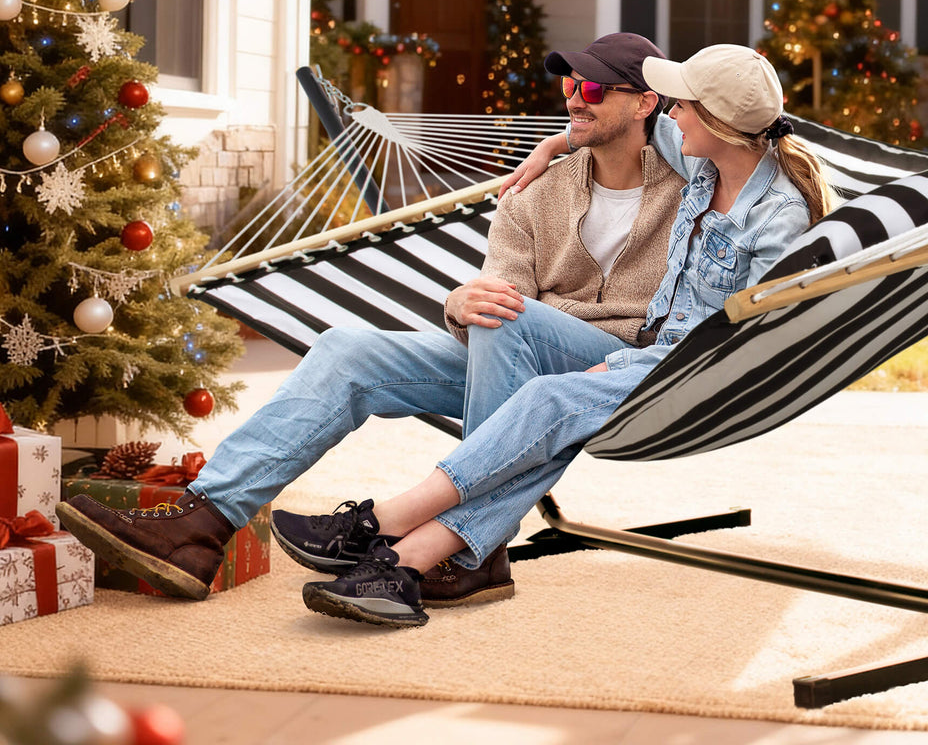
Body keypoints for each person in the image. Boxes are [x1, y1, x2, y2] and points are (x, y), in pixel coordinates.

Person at [56, 33, 686, 606]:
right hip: (522, 351)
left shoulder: (692, 182)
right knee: (350, 348)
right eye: (570, 86)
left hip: (626, 370)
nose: (576, 99)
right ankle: (204, 524)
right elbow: (502, 293)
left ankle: (471, 545)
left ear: (646, 104)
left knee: (508, 317)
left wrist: (552, 145)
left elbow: (749, 131)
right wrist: (457, 305)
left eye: (596, 89)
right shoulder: (536, 189)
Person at [293, 43, 836, 628]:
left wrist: (630, 370)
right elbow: (609, 132)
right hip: (654, 355)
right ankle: (411, 564)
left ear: (718, 122)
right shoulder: (706, 160)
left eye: (681, 104)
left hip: (697, 378)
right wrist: (554, 146)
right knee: (518, 340)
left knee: (548, 401)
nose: (670, 114)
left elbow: (746, 339)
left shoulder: (777, 215)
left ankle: (384, 526)